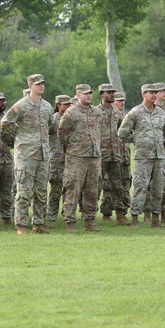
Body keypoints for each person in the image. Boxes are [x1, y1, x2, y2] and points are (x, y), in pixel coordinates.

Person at [0, 74, 56, 235]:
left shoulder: (46, 106)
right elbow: (6, 123)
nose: (41, 86)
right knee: (24, 191)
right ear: (30, 85)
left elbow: (51, 126)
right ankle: (21, 225)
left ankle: (38, 223)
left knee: (40, 191)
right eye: (38, 84)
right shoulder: (21, 105)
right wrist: (15, 140)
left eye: (43, 83)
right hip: (26, 155)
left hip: (43, 155)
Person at [118, 83, 165, 228]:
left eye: (155, 92)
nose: (154, 95)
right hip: (143, 156)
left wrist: (162, 141)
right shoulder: (135, 112)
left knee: (158, 188)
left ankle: (155, 218)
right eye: (151, 92)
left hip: (159, 156)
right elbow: (122, 133)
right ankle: (135, 217)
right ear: (144, 94)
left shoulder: (161, 113)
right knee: (140, 187)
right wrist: (137, 141)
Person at [57, 84, 103, 232]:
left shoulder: (97, 112)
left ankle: (90, 221)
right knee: (72, 188)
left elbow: (99, 132)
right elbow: (62, 134)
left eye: (90, 93)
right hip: (76, 156)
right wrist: (72, 149)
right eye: (85, 94)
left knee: (92, 190)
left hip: (94, 156)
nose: (88, 96)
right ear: (78, 95)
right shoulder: (70, 113)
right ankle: (70, 221)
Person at [97, 83, 128, 224]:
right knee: (97, 186)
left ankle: (120, 215)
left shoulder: (117, 113)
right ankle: (92, 216)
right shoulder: (95, 112)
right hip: (100, 155)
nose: (112, 95)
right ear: (102, 95)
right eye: (109, 92)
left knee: (118, 186)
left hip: (115, 155)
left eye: (112, 92)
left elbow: (123, 131)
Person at [148, 82, 165, 222]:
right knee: (151, 182)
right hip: (152, 152)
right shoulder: (149, 109)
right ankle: (148, 213)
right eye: (160, 91)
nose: (164, 93)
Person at [47, 94, 72, 224]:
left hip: (70, 158)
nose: (69, 106)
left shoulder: (71, 118)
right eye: (66, 104)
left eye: (70, 104)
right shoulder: (53, 119)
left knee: (69, 190)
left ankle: (67, 214)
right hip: (56, 159)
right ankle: (52, 215)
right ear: (58, 105)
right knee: (56, 189)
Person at [0, 92, 15, 224]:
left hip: (7, 158)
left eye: (3, 101)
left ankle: (6, 217)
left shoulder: (7, 117)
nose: (3, 103)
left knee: (6, 189)